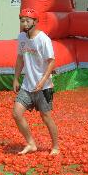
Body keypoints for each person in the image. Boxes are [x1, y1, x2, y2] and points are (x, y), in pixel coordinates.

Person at [13, 8, 59, 155]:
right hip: (27, 85)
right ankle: (31, 143)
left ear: (35, 22)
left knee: (46, 117)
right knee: (16, 113)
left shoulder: (43, 39)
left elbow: (52, 62)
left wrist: (42, 81)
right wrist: (15, 78)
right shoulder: (21, 37)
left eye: (27, 21)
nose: (24, 24)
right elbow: (20, 59)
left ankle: (56, 146)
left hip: (43, 87)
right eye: (22, 21)